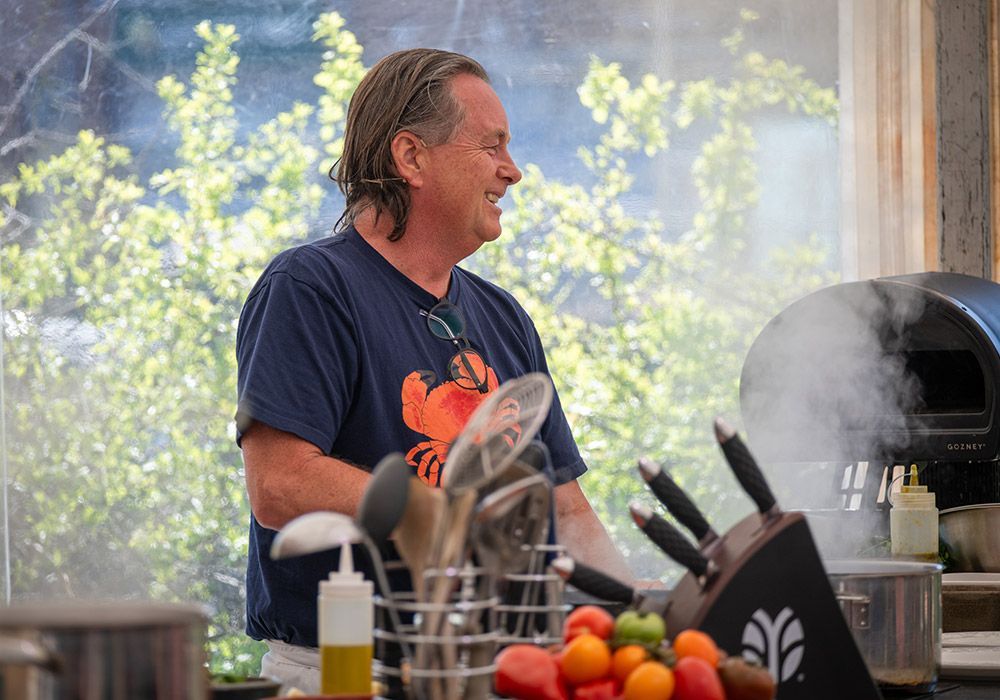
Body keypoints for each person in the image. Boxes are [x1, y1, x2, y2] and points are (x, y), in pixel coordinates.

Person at [234, 47, 631, 693]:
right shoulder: (309, 286)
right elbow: (279, 485)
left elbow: (564, 506)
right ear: (411, 157)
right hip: (345, 672)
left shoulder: (503, 316)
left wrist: (628, 616)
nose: (515, 171)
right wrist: (436, 514)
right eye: (493, 146)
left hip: (491, 668)